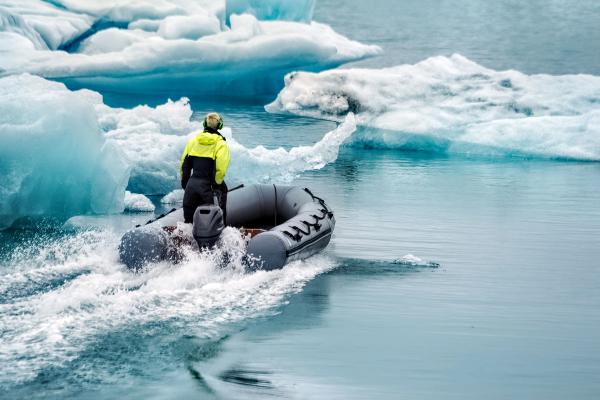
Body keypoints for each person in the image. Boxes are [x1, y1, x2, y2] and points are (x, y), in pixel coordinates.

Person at [180, 112, 230, 224]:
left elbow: (184, 165)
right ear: (220, 125)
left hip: (191, 186)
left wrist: (186, 184)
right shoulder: (221, 144)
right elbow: (221, 168)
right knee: (216, 220)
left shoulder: (193, 141)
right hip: (208, 187)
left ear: (204, 124)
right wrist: (216, 185)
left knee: (188, 222)